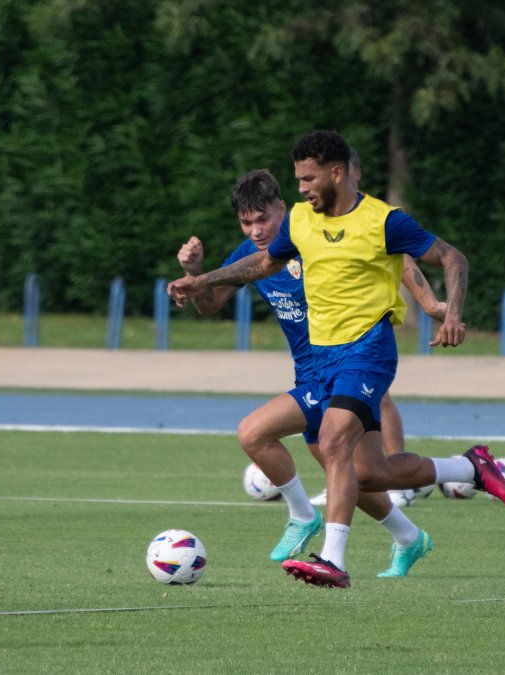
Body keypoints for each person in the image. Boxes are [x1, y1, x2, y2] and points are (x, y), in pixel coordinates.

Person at [169, 130, 505, 589]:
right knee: (363, 472)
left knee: (327, 441)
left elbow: (440, 259)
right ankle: (467, 470)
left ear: (337, 173)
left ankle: (330, 556)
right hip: (319, 364)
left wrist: (445, 309)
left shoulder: (383, 220)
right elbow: (262, 265)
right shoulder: (301, 222)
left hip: (368, 348)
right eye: (297, 180)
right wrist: (201, 279)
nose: (302, 188)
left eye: (308, 178)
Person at [176, 168, 446, 578]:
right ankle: (410, 538)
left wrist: (429, 303)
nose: (255, 230)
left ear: (282, 209)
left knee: (257, 432)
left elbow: (398, 256)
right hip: (312, 373)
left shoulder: (316, 234)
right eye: (246, 222)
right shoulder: (252, 257)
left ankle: (306, 521)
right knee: (353, 474)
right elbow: (211, 304)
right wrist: (196, 275)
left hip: (350, 358)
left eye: (262, 219)